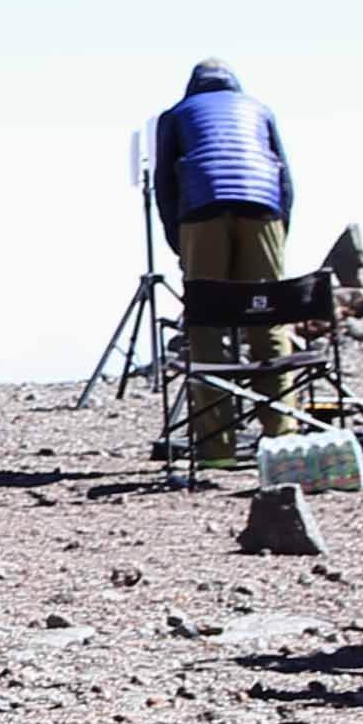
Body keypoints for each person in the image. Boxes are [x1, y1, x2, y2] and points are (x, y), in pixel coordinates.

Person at [149, 61, 293, 464]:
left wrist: (179, 243)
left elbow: (165, 186)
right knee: (268, 318)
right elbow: (286, 181)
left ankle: (218, 448)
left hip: (202, 210)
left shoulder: (176, 115)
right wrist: (280, 235)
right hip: (263, 209)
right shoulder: (259, 108)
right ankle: (283, 437)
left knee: (208, 326)